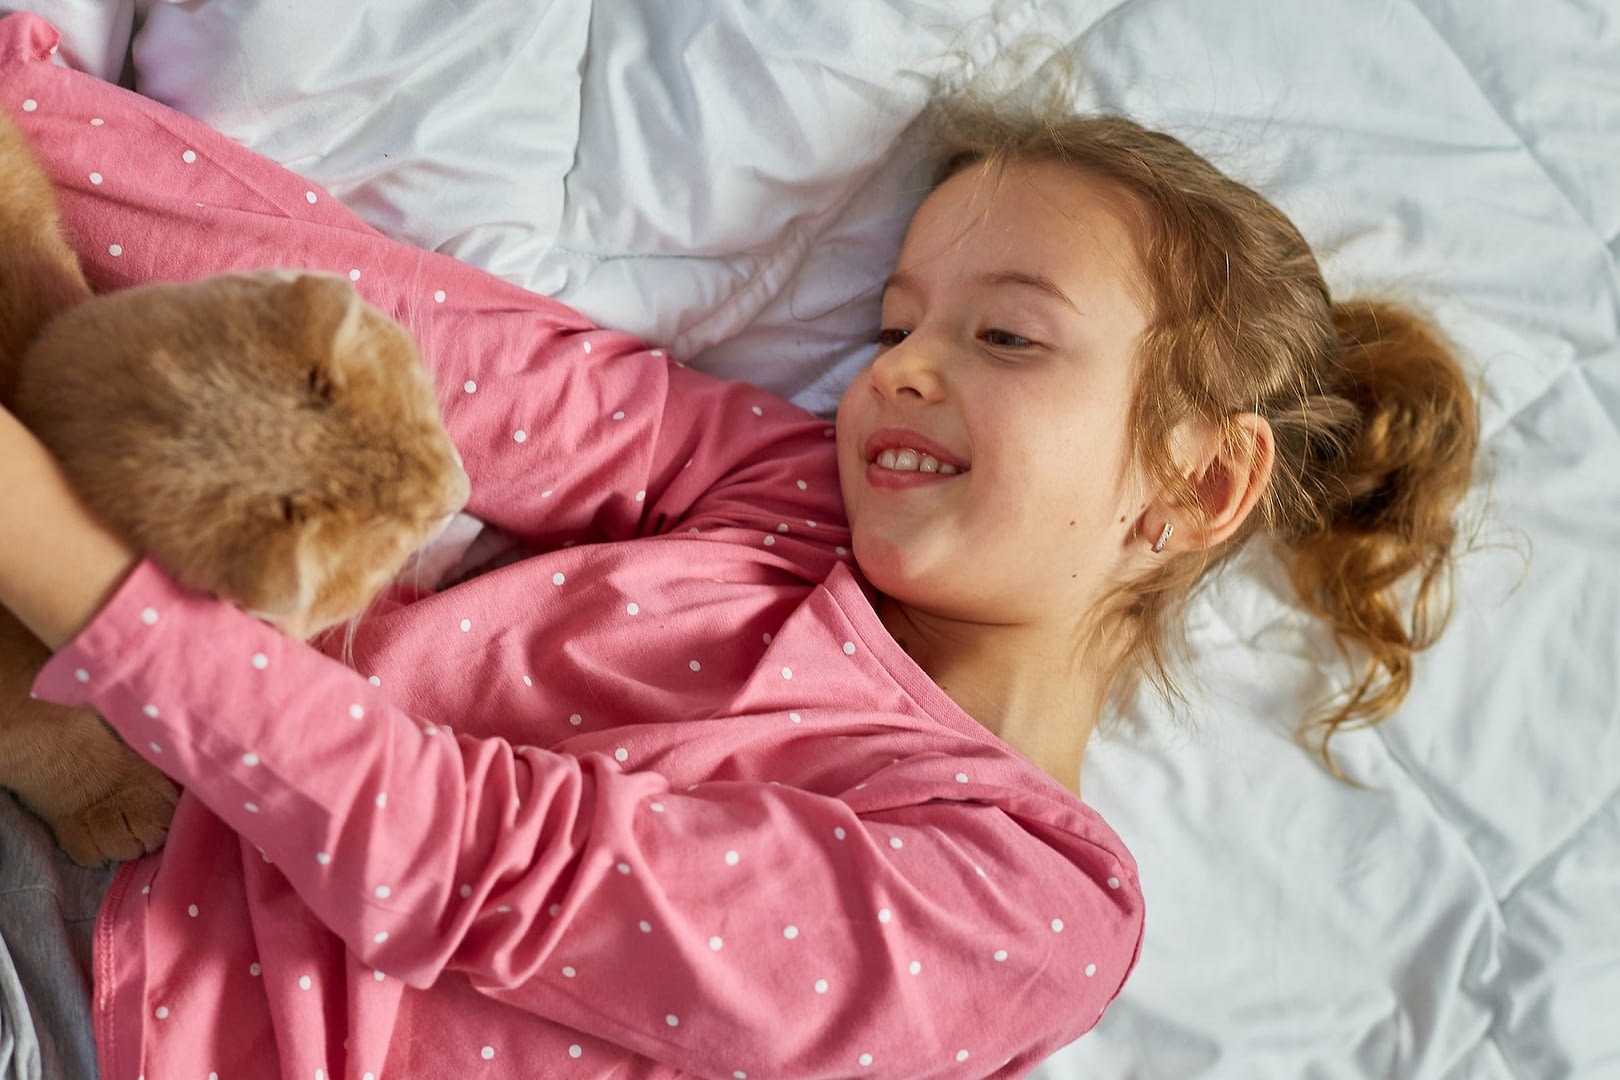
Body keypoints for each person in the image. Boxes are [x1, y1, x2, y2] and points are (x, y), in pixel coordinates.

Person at [0, 12, 1475, 1079]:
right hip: (112, 780)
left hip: (118, 1013)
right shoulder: (791, 508)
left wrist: (54, 555)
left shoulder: (1024, 911)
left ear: (1200, 484)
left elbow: (471, 862)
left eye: (1005, 334)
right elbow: (460, 364)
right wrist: (36, 120)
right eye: (895, 324)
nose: (899, 368)